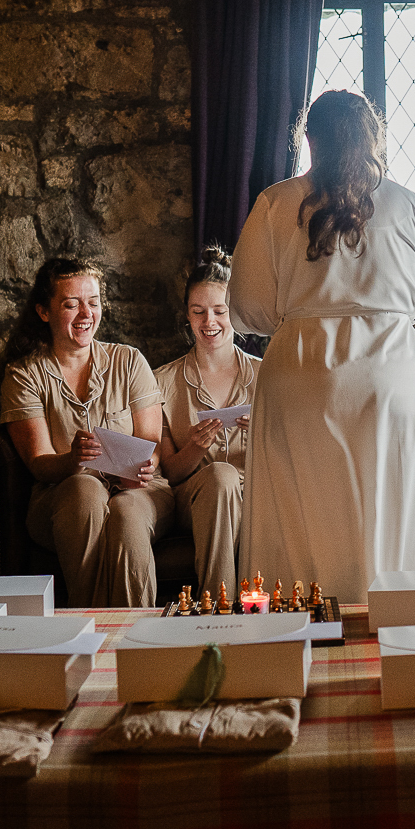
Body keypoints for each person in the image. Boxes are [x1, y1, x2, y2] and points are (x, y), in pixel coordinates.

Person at [228, 90, 415, 604]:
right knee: (394, 517)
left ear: (309, 139)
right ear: (373, 140)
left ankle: (307, 631)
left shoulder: (274, 202)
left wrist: (302, 318)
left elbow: (246, 307)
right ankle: (397, 630)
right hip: (391, 377)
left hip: (299, 375)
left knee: (301, 518)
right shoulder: (407, 204)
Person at [0, 257, 166, 609]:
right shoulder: (23, 375)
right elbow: (39, 463)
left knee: (127, 515)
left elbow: (152, 445)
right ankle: (93, 631)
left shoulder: (129, 361)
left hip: (138, 489)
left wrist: (144, 466)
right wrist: (73, 461)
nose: (85, 313)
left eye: (93, 302)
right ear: (44, 312)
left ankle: (137, 636)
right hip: (63, 495)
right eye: (71, 304)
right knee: (84, 487)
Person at [151, 246, 257, 596]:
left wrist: (261, 435)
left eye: (219, 311)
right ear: (187, 316)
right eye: (198, 312)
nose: (209, 322)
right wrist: (195, 447)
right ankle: (220, 607)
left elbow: (294, 459)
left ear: (235, 315)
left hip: (257, 495)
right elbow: (171, 473)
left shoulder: (266, 375)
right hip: (194, 499)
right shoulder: (161, 382)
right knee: (221, 476)